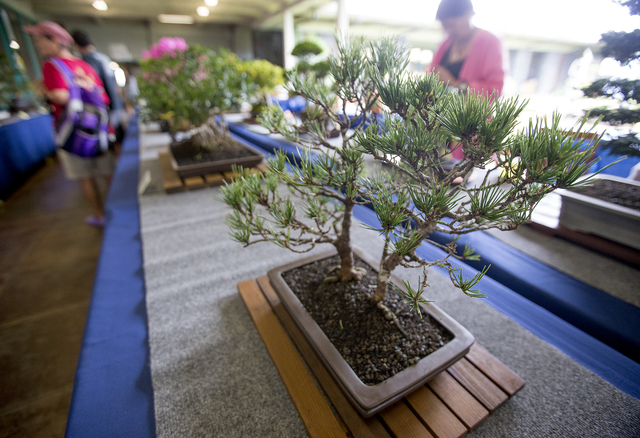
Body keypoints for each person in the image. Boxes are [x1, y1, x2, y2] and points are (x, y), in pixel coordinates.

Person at [25, 21, 113, 227]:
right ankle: (118, 212)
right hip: (97, 128)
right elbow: (103, 97)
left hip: (74, 130)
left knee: (85, 176)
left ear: (56, 41)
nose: (38, 46)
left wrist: (43, 90)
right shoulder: (85, 66)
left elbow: (61, 95)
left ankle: (100, 215)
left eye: (40, 41)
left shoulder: (52, 65)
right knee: (107, 172)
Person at [430, 0, 505, 161]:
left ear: (469, 14)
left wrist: (456, 84)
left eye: (452, 24)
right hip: (440, 129)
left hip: (470, 130)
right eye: (444, 26)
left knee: (462, 178)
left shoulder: (489, 42)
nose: (448, 30)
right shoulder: (445, 44)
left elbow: (495, 90)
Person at [71, 29, 127, 153]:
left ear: (77, 45)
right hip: (115, 105)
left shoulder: (87, 61)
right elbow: (116, 85)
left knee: (108, 142)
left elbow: (92, 88)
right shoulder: (103, 57)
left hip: (103, 107)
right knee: (118, 138)